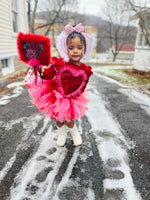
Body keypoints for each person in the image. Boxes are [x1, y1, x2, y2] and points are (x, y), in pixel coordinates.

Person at [26, 23, 94, 147]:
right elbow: (46, 74)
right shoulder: (59, 63)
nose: (75, 51)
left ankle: (74, 133)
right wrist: (37, 67)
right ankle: (61, 134)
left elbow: (83, 84)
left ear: (85, 49)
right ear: (65, 49)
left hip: (71, 98)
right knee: (58, 119)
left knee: (69, 119)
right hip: (56, 96)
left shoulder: (85, 70)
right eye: (71, 47)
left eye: (79, 47)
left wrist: (76, 93)